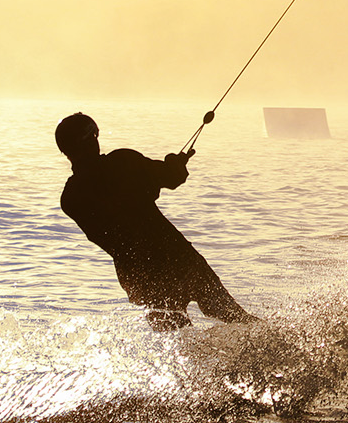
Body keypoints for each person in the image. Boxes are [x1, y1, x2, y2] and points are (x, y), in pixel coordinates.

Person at [55, 112, 258, 331]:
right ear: (92, 139)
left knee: (179, 339)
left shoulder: (71, 199)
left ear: (65, 150)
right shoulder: (122, 162)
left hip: (139, 277)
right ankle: (278, 348)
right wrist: (175, 163)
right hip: (177, 258)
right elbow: (172, 178)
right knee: (231, 314)